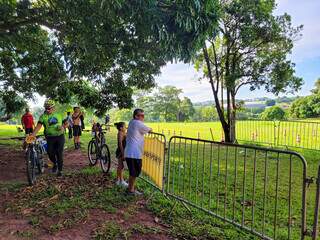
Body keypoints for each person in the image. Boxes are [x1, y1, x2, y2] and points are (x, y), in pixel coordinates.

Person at [32, 99, 68, 176]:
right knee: (50, 152)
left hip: (60, 136)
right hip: (50, 137)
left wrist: (63, 127)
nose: (47, 110)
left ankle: (60, 171)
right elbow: (38, 127)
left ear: (53, 108)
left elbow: (66, 123)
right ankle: (55, 163)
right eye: (46, 108)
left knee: (59, 152)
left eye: (49, 108)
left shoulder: (59, 115)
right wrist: (32, 135)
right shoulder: (43, 117)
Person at [124, 109, 152, 195]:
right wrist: (150, 129)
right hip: (134, 153)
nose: (143, 117)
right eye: (141, 115)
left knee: (133, 172)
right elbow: (150, 129)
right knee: (134, 173)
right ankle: (130, 190)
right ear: (136, 116)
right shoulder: (137, 123)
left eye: (144, 115)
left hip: (131, 152)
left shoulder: (132, 122)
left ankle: (130, 188)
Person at [114, 122, 128, 187]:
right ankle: (121, 180)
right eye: (125, 126)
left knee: (120, 166)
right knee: (120, 166)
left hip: (123, 151)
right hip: (120, 151)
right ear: (121, 128)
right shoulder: (120, 133)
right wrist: (122, 154)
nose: (126, 127)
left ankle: (118, 179)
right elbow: (120, 144)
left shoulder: (124, 132)